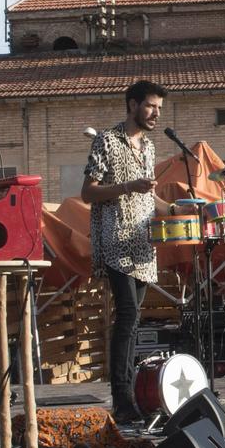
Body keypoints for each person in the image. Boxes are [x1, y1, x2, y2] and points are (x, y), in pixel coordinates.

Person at [82, 80, 165, 425]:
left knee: (132, 322)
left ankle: (129, 395)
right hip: (115, 240)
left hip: (142, 242)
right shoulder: (107, 140)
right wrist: (128, 187)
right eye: (150, 106)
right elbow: (89, 192)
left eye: (159, 108)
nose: (156, 113)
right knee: (128, 316)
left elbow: (148, 196)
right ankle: (122, 399)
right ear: (132, 105)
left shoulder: (148, 147)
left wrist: (175, 208)